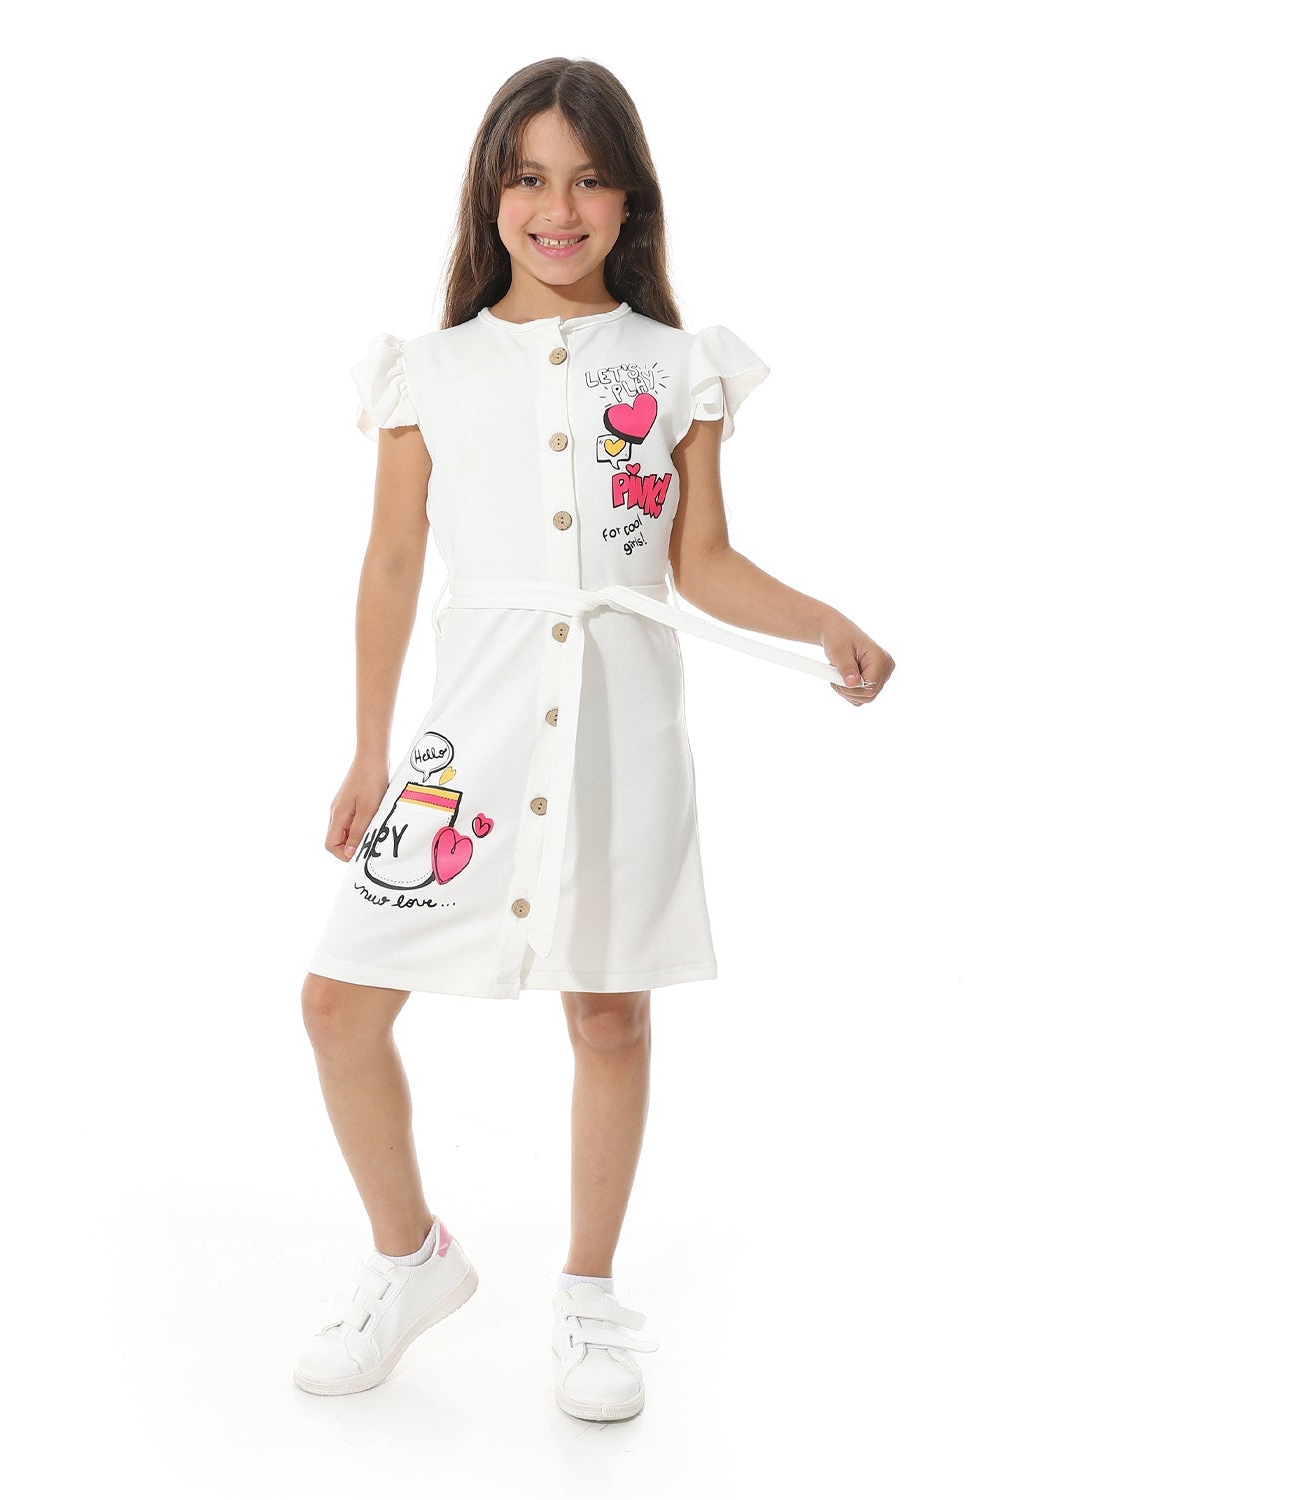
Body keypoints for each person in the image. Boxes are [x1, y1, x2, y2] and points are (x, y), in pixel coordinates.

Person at [293, 57, 896, 1422]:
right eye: (528, 178)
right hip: (469, 739)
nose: (557, 209)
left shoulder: (677, 367)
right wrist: (368, 751)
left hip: (622, 727)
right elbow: (391, 563)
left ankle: (586, 1297)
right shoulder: (428, 371)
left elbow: (702, 560)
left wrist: (824, 622)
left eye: (587, 179)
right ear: (490, 195)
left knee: (610, 1014)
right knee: (338, 1003)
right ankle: (410, 1260)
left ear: (630, 200)